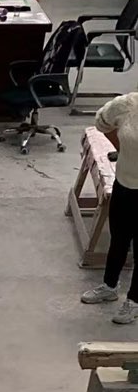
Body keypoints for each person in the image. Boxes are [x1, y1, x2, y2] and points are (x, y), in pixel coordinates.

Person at [81, 92, 138, 323]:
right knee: (119, 239)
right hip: (124, 183)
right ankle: (110, 286)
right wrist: (122, 148)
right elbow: (102, 121)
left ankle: (134, 301)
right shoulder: (128, 104)